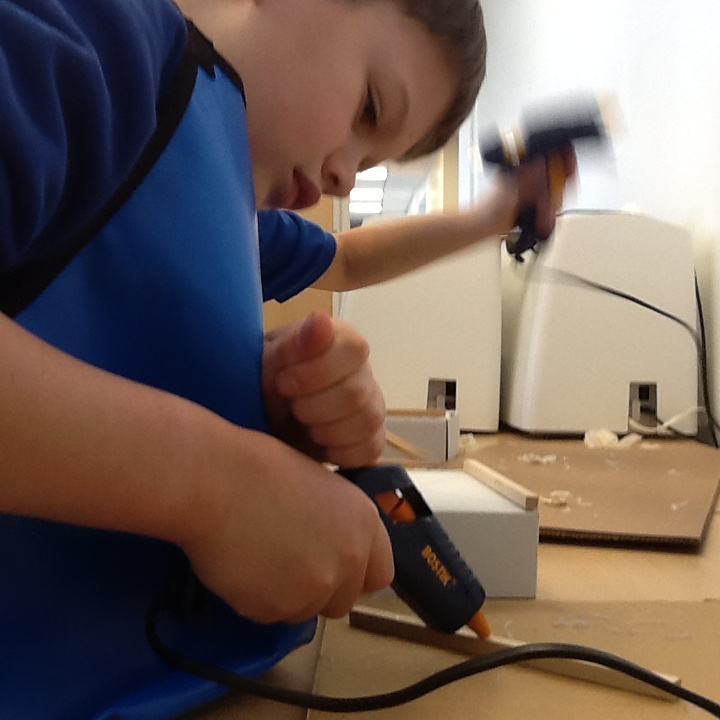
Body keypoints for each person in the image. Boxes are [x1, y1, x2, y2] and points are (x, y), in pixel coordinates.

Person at [0, 0, 567, 717]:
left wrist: (265, 406)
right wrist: (215, 485)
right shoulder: (104, 43)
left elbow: (347, 260)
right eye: (369, 108)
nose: (345, 178)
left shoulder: (228, 206)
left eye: (371, 162)